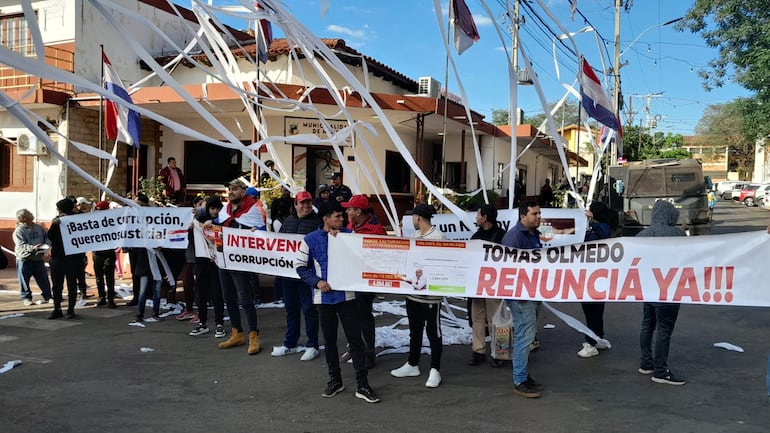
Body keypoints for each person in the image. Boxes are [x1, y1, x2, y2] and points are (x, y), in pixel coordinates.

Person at [296, 201, 381, 403]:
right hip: (323, 299)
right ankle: (335, 380)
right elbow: (300, 267)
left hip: (348, 297)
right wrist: (317, 282)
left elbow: (364, 257)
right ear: (325, 219)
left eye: (342, 216)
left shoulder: (349, 236)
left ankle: (362, 384)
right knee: (330, 341)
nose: (342, 219)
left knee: (355, 341)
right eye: (337, 217)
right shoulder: (309, 240)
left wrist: (342, 239)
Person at [391, 203, 445, 388]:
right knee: (415, 330)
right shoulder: (414, 235)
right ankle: (412, 363)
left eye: (413, 217)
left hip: (430, 296)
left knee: (433, 332)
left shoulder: (438, 236)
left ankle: (435, 369)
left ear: (418, 217)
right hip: (413, 293)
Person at [212, 179, 265, 355]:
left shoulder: (253, 210)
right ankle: (237, 332)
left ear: (243, 191)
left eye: (234, 189)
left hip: (241, 260)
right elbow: (219, 227)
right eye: (229, 189)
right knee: (229, 297)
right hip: (224, 259)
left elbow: (262, 233)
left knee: (245, 299)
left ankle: (253, 334)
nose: (231, 192)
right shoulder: (226, 209)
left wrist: (254, 232)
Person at [637, 200, 687, 386]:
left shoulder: (642, 235)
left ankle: (646, 363)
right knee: (664, 330)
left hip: (648, 288)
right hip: (669, 288)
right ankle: (660, 371)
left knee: (647, 325)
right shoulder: (678, 234)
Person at [501, 200, 545, 398]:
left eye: (538, 213)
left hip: (532, 293)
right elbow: (508, 269)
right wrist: (519, 295)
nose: (538, 217)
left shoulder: (533, 234)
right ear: (522, 216)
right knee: (523, 337)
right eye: (534, 214)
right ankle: (519, 380)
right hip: (521, 296)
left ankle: (524, 376)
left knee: (528, 337)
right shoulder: (514, 237)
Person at [271, 191, 321, 361]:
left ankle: (312, 344)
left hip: (308, 274)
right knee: (291, 309)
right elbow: (278, 243)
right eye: (302, 203)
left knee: (309, 310)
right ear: (295, 205)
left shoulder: (317, 222)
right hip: (289, 274)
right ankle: (290, 343)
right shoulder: (288, 221)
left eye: (308, 202)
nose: (305, 206)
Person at [343, 194, 386, 369]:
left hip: (365, 281)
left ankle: (369, 353)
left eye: (350, 209)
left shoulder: (376, 230)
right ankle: (355, 348)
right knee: (351, 317)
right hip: (349, 278)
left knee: (364, 318)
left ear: (358, 211)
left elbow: (384, 257)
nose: (347, 211)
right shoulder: (350, 226)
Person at [467, 204, 507, 367]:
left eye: (478, 215)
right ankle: (478, 351)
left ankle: (500, 353)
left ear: (484, 218)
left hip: (495, 285)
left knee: (496, 319)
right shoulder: (476, 236)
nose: (476, 217)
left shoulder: (502, 236)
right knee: (477, 318)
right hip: (477, 285)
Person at [577, 201, 613, 358]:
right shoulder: (593, 228)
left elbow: (604, 234)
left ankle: (591, 342)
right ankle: (597, 337)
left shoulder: (602, 228)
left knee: (592, 310)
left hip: (593, 276)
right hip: (593, 275)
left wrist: (592, 224)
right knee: (594, 311)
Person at [189, 197, 226, 338]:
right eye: (212, 208)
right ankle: (202, 322)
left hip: (216, 263)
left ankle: (219, 324)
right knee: (201, 294)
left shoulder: (221, 222)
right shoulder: (198, 222)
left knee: (217, 294)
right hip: (201, 262)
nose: (215, 211)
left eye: (217, 208)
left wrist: (214, 224)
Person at [47, 198, 81, 320]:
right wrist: (54, 224)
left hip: (71, 257)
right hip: (58, 257)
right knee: (57, 285)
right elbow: (50, 236)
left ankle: (69, 309)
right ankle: (58, 309)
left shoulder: (77, 219)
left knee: (70, 284)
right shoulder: (57, 220)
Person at [13, 209, 52, 306]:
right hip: (25, 260)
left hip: (38, 259)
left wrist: (47, 244)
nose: (32, 214)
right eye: (29, 214)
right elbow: (21, 245)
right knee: (24, 281)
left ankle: (48, 296)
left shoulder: (38, 227)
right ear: (24, 218)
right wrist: (33, 248)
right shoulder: (19, 231)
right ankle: (26, 298)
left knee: (43, 279)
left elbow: (46, 237)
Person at [92, 201, 117, 308]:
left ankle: (110, 299)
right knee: (99, 277)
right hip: (97, 253)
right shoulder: (93, 220)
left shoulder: (112, 220)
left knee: (109, 277)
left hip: (108, 253)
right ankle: (102, 298)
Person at [74, 197, 92, 299]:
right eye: (85, 204)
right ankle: (79, 291)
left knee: (81, 271)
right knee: (76, 272)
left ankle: (83, 292)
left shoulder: (83, 215)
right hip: (75, 249)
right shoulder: (74, 216)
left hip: (81, 249)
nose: (87, 206)